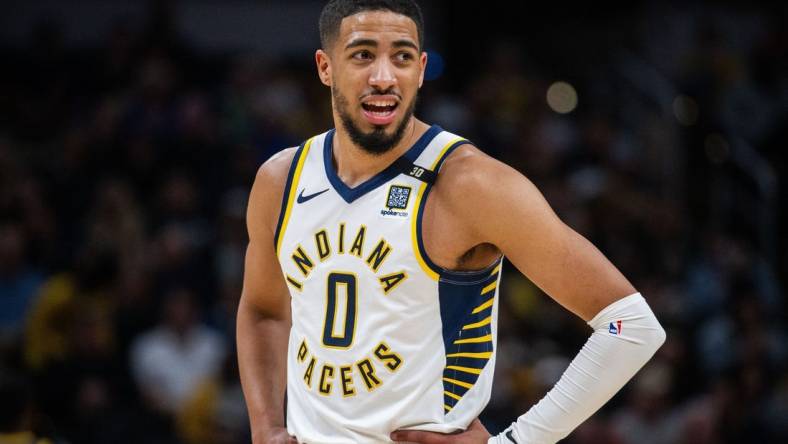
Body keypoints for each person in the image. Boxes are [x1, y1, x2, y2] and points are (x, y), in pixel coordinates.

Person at [236, 1, 666, 443]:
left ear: (421, 69)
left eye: (401, 57)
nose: (384, 77)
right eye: (363, 55)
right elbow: (264, 310)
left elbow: (629, 326)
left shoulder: (469, 183)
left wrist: (514, 442)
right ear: (325, 67)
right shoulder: (281, 179)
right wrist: (266, 427)